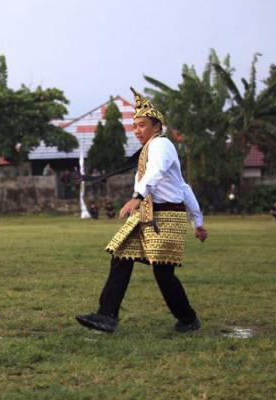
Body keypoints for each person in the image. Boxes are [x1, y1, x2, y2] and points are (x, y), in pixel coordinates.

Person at [76, 87, 208, 334]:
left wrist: (137, 196)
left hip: (165, 216)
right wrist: (197, 222)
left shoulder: (161, 146)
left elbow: (155, 173)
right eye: (134, 126)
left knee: (163, 272)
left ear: (157, 125)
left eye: (142, 125)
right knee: (121, 255)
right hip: (149, 215)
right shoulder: (151, 147)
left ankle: (188, 319)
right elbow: (184, 186)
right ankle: (107, 316)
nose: (136, 130)